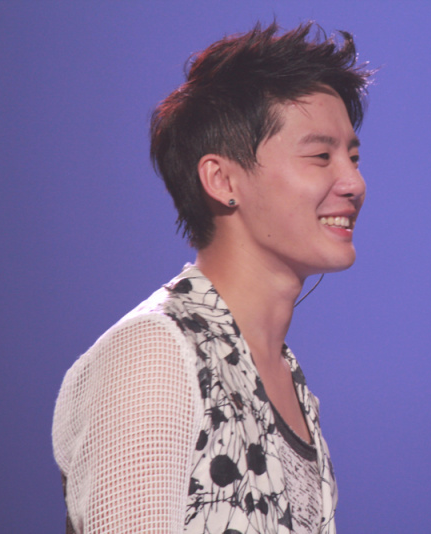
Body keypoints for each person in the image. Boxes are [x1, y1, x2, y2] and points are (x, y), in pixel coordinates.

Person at [52, 22, 371, 534]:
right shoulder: (155, 355)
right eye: (321, 156)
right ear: (222, 180)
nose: (353, 182)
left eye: (353, 157)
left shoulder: (287, 382)